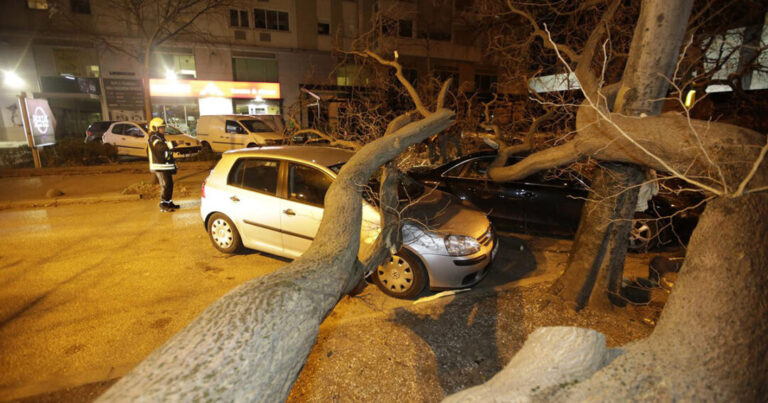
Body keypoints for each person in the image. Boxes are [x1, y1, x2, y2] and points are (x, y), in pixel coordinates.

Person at [147, 117, 179, 212]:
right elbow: (160, 148)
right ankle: (163, 204)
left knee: (170, 185)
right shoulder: (153, 138)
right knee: (166, 185)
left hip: (165, 166)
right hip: (159, 166)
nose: (163, 129)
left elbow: (165, 149)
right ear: (154, 128)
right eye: (161, 127)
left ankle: (169, 202)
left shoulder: (160, 137)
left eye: (163, 127)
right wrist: (174, 143)